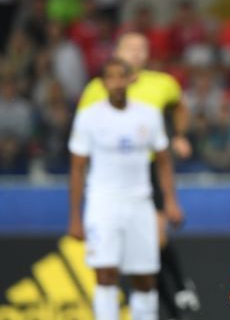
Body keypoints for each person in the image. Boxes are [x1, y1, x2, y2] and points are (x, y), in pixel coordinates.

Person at [77, 32, 199, 319]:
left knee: (155, 242)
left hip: (149, 170)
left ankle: (180, 288)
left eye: (141, 48)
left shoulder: (162, 83)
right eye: (129, 47)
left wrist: (180, 135)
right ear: (117, 51)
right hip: (112, 176)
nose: (136, 52)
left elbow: (179, 106)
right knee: (146, 252)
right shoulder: (97, 88)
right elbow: (84, 131)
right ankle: (175, 300)